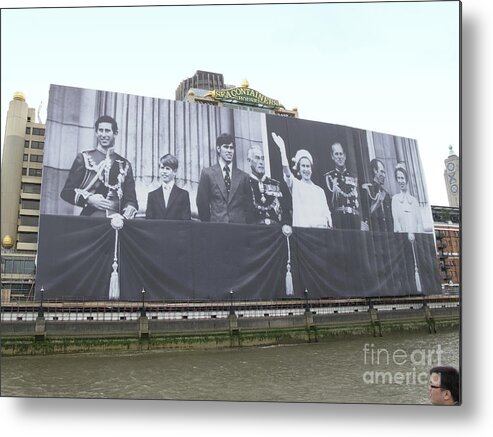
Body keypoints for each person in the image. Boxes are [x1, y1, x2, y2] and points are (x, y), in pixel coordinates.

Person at [60, 115, 138, 218]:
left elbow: (131, 201)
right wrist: (89, 199)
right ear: (96, 133)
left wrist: (123, 218)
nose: (103, 134)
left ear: (115, 133)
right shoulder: (84, 158)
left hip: (116, 222)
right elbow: (67, 192)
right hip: (89, 219)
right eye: (100, 130)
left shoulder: (124, 164)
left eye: (107, 131)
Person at [271, 132, 332, 229]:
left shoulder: (320, 191)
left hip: (321, 233)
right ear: (299, 169)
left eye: (308, 166)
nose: (306, 169)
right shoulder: (296, 185)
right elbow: (287, 172)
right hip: (303, 234)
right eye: (303, 166)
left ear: (311, 169)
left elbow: (326, 212)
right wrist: (282, 151)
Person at [196, 133, 253, 224]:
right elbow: (202, 203)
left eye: (231, 148)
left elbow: (249, 206)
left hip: (239, 227)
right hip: (217, 228)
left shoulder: (243, 177)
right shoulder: (207, 174)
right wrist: (209, 224)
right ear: (218, 149)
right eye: (226, 147)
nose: (229, 151)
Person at [325, 142, 361, 230]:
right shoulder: (329, 177)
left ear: (344, 156)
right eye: (336, 154)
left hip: (355, 219)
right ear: (332, 156)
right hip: (339, 221)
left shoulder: (354, 177)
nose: (339, 157)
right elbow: (328, 202)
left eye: (341, 154)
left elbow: (359, 201)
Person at [145, 154, 191, 220]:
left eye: (167, 169)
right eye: (162, 168)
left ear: (174, 172)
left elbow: (186, 221)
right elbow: (149, 222)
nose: (164, 172)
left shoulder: (183, 195)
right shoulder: (152, 195)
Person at [247, 144, 283, 225]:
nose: (261, 162)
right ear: (249, 161)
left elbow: (284, 211)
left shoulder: (275, 184)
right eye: (257, 158)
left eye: (262, 159)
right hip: (255, 232)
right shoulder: (245, 183)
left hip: (275, 231)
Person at [391, 165, 423, 239]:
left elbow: (419, 223)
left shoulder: (414, 201)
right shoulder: (395, 199)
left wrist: (418, 237)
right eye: (398, 178)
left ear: (406, 179)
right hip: (403, 238)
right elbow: (396, 222)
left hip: (416, 237)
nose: (400, 181)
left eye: (402, 178)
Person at [361, 159, 394, 232]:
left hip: (387, 234)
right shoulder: (367, 189)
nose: (384, 175)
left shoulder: (386, 194)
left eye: (384, 173)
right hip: (374, 233)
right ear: (375, 170)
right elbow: (364, 214)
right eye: (382, 172)